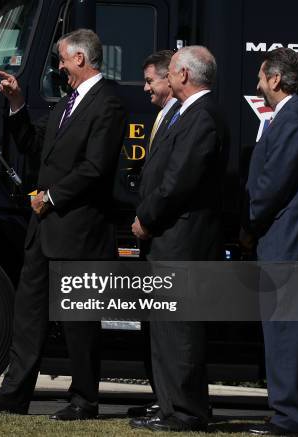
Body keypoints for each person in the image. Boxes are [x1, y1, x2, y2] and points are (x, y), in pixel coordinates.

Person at [0, 29, 126, 420]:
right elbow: (36, 148)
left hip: (79, 230)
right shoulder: (68, 103)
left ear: (81, 60)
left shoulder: (108, 104)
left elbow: (96, 168)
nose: (59, 66)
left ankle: (84, 400)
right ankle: (13, 395)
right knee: (28, 316)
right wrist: (17, 104)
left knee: (79, 322)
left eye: (63, 60)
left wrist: (51, 197)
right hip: (44, 231)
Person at [130, 46, 228, 432]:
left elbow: (178, 182)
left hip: (181, 239)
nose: (166, 79)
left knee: (180, 330)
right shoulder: (188, 115)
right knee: (166, 330)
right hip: (170, 238)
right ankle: (172, 410)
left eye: (169, 72)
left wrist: (147, 219)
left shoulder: (203, 116)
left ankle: (186, 413)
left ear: (184, 75)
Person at [244, 47, 298, 436]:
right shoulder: (286, 116)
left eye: (262, 77)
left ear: (276, 80)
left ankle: (288, 417)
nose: (258, 84)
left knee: (284, 330)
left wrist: (249, 218)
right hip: (278, 235)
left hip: (284, 237)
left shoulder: (292, 117)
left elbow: (273, 181)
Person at [126, 49, 180, 419]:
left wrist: (145, 215)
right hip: (152, 234)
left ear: (170, 78)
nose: (144, 88)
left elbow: (174, 179)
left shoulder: (185, 117)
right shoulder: (163, 115)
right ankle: (161, 396)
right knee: (152, 327)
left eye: (149, 80)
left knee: (171, 331)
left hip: (166, 233)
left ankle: (171, 401)